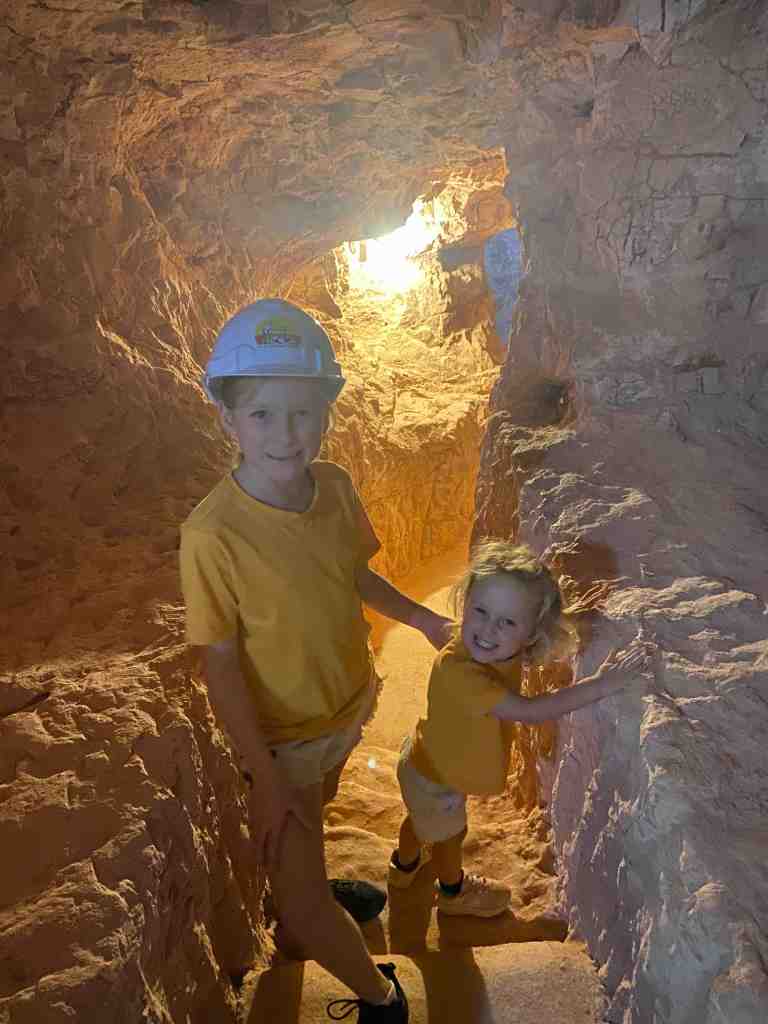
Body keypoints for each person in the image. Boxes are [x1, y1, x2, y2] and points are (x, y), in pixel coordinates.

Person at [180, 297, 450, 1021]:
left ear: (325, 412)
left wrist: (423, 618)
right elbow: (219, 663)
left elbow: (353, 574)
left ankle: (317, 902)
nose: (285, 434)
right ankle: (381, 995)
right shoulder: (212, 536)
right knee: (297, 899)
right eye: (262, 414)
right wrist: (265, 776)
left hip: (345, 705)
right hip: (284, 743)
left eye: (302, 412)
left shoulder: (333, 486)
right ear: (228, 419)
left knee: (316, 818)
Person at [389, 540, 648, 917]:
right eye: (480, 611)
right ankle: (452, 893)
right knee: (450, 838)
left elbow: (529, 635)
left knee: (419, 820)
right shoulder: (466, 676)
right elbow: (530, 711)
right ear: (466, 603)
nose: (487, 630)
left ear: (530, 634)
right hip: (437, 782)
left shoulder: (472, 642)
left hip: (426, 762)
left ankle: (403, 868)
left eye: (507, 622)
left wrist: (572, 620)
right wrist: (604, 684)